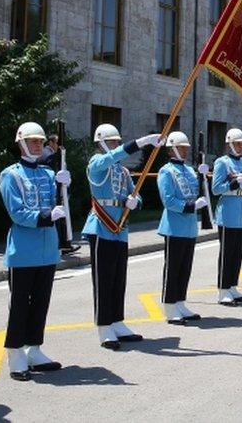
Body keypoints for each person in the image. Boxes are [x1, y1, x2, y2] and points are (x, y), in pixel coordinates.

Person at [0, 122, 69, 381]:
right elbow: (17, 213)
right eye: (32, 141)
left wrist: (63, 186)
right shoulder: (11, 175)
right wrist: (46, 215)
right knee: (20, 304)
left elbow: (57, 205)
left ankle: (34, 349)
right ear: (20, 144)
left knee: (41, 302)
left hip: (47, 249)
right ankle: (15, 355)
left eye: (40, 141)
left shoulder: (49, 174)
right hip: (23, 250)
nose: (37, 145)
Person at [82, 124, 163, 349]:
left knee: (119, 279)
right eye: (112, 141)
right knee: (103, 280)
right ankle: (104, 327)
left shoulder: (123, 171)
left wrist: (135, 202)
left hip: (120, 228)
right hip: (101, 226)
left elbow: (134, 194)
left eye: (118, 141)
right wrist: (141, 142)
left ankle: (117, 321)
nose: (116, 145)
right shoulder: (96, 163)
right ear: (101, 143)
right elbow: (112, 157)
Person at [157, 131, 208, 324]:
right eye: (181, 148)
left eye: (186, 148)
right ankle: (170, 306)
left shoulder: (189, 170)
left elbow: (198, 192)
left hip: (188, 227)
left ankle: (180, 302)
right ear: (171, 150)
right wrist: (191, 206)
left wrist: (204, 177)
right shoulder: (166, 171)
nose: (185, 151)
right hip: (174, 226)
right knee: (173, 268)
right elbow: (168, 200)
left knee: (185, 268)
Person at [211, 128, 242, 306]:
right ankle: (222, 289)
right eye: (237, 143)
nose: (240, 146)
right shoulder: (223, 163)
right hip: (228, 212)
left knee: (237, 253)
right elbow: (216, 188)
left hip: (241, 212)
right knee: (227, 253)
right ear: (229, 144)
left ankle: (232, 286)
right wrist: (233, 182)